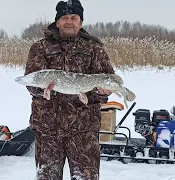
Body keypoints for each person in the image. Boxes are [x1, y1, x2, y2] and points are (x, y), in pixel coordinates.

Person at [24, 0, 115, 179]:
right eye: (64, 17)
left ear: (80, 22)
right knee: (47, 177)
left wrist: (103, 91)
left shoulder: (94, 47)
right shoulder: (40, 47)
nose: (69, 22)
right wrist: (41, 87)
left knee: (86, 177)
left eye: (74, 17)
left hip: (84, 128)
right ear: (57, 22)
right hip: (48, 127)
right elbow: (31, 83)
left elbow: (107, 78)